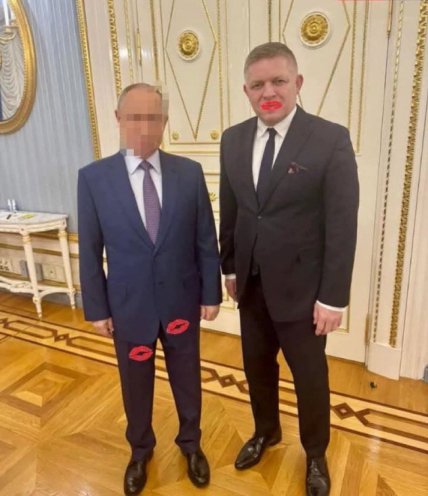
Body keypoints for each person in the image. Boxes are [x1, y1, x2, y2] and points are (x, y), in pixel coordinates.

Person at [219, 42, 359, 496]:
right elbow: (232, 210)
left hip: (304, 291)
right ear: (246, 90)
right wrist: (229, 268)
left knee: (309, 377)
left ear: (297, 83)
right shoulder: (232, 139)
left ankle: (315, 453)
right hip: (251, 285)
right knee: (257, 367)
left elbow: (342, 224)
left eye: (278, 81)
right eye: (258, 84)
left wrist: (333, 297)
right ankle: (266, 431)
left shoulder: (330, 138)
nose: (269, 92)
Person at [78, 83, 221, 495]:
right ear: (119, 119)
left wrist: (210, 294)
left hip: (181, 301)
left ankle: (191, 444)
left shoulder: (189, 173)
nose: (144, 127)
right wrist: (97, 308)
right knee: (135, 382)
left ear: (164, 122)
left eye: (153, 118)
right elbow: (90, 250)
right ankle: (140, 450)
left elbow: (205, 239)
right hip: (128, 306)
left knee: (187, 378)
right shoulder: (93, 179)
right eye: (135, 117)